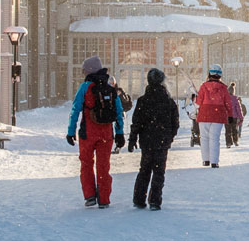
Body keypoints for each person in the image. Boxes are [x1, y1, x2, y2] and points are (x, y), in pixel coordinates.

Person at [66, 56, 126, 207]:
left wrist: (71, 131)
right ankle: (104, 199)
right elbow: (119, 112)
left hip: (88, 133)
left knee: (86, 163)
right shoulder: (110, 88)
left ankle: (90, 195)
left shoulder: (85, 87)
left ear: (89, 71)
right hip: (106, 134)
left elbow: (75, 110)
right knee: (103, 166)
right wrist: (119, 133)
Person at [127, 67, 179, 209]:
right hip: (162, 141)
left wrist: (132, 140)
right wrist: (169, 137)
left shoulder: (143, 101)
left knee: (144, 170)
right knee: (159, 172)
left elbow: (136, 122)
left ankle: (139, 199)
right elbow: (175, 122)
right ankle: (155, 200)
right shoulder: (168, 101)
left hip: (147, 141)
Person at [194, 64, 233, 166]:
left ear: (209, 73)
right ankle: (214, 162)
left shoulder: (203, 87)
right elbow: (228, 102)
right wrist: (230, 115)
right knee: (215, 139)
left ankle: (206, 160)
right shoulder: (223, 88)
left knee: (204, 138)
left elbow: (198, 103)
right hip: (218, 115)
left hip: (204, 114)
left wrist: (194, 98)